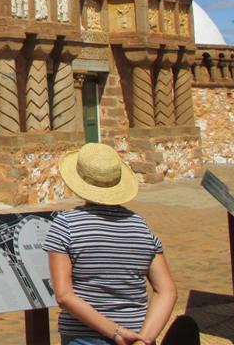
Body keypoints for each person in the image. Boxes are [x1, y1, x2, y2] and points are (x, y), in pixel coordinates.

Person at [43, 142, 177, 345]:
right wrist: (145, 339)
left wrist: (116, 332)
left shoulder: (66, 225)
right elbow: (167, 291)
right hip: (136, 335)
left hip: (84, 336)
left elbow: (64, 296)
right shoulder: (140, 226)